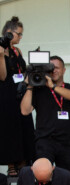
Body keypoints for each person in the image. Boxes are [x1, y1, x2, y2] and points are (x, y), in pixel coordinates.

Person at [20, 56, 70, 171]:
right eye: (50, 68)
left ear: (64, 70)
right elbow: (25, 110)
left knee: (65, 177)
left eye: (56, 68)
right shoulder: (39, 90)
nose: (53, 71)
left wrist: (53, 86)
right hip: (44, 141)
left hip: (65, 141)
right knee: (43, 174)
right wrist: (31, 85)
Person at [0, 16, 35, 176]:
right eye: (18, 34)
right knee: (10, 129)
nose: (20, 37)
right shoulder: (2, 50)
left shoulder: (17, 50)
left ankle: (23, 161)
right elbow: (2, 76)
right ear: (8, 32)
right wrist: (1, 56)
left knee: (25, 126)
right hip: (6, 94)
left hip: (21, 92)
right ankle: (11, 164)